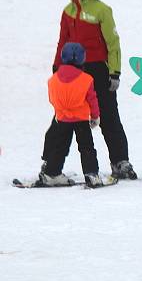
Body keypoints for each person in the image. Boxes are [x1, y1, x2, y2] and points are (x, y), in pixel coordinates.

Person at [41, 0, 138, 180]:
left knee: (108, 115)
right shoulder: (67, 11)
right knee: (64, 115)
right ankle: (50, 163)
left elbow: (113, 43)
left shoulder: (102, 10)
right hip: (74, 70)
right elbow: (62, 41)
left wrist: (115, 71)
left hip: (99, 70)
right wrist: (57, 67)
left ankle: (120, 162)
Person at [39, 42, 104, 187]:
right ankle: (91, 174)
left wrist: (61, 111)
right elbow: (92, 100)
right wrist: (95, 116)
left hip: (62, 119)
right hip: (81, 119)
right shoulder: (86, 79)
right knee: (86, 147)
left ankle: (52, 173)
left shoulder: (53, 80)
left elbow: (52, 99)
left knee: (60, 146)